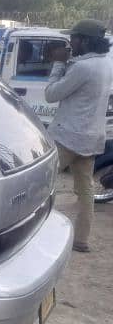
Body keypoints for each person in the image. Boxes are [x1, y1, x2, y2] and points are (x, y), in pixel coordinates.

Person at [45, 19, 113, 252]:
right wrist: (69, 62)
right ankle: (81, 239)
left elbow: (51, 95)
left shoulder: (82, 68)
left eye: (73, 38)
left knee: (41, 184)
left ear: (84, 41)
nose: (70, 43)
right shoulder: (106, 63)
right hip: (91, 139)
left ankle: (37, 231)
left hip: (67, 138)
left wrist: (57, 64)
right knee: (86, 190)